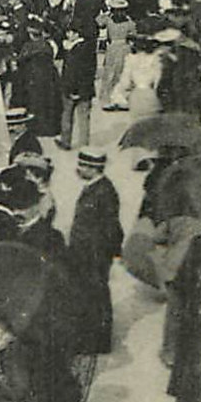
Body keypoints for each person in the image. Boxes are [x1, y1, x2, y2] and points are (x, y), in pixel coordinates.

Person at [65, 148, 120, 355]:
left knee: (96, 297)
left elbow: (109, 229)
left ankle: (97, 341)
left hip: (93, 256)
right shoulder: (94, 188)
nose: (78, 169)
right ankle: (92, 337)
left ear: (94, 168)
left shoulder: (104, 192)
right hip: (85, 254)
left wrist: (98, 258)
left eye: (82, 166)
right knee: (89, 295)